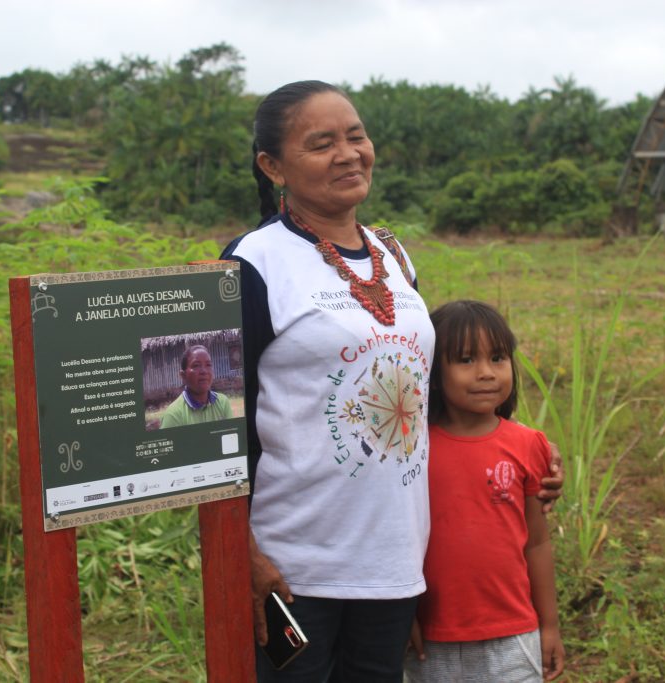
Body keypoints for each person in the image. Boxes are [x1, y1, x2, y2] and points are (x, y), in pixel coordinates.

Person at [220, 81, 562, 682]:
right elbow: (220, 421)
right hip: (295, 567)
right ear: (272, 166)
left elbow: (420, 398)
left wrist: (516, 457)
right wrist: (242, 555)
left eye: (356, 136)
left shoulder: (394, 255)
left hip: (395, 561)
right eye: (321, 143)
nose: (349, 153)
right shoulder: (253, 263)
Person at [406, 300, 565, 682]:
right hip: (432, 638)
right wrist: (403, 615)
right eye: (465, 360)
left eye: (497, 358)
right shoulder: (411, 447)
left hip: (513, 634)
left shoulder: (530, 445)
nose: (486, 373)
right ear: (432, 371)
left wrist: (550, 626)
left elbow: (537, 543)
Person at [159, 344, 233, 428]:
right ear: (183, 375)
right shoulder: (173, 415)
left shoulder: (223, 403)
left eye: (208, 365)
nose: (204, 371)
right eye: (196, 365)